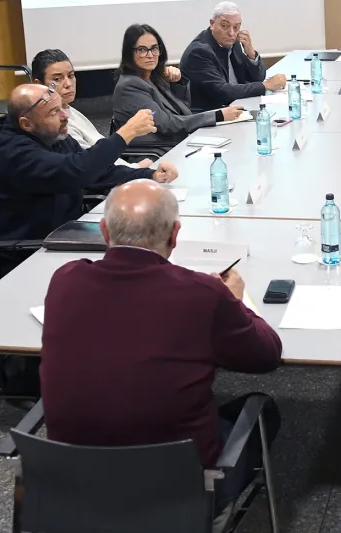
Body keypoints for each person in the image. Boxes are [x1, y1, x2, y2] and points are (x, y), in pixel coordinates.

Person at [40, 180, 282, 520]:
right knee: (263, 409)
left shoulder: (65, 279)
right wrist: (236, 302)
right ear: (175, 234)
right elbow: (267, 354)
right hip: (180, 490)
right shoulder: (203, 293)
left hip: (73, 484)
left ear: (104, 231)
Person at [0, 84, 178, 242]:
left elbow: (98, 173)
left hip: (65, 231)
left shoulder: (52, 135)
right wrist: (127, 133)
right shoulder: (14, 154)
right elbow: (76, 170)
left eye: (62, 108)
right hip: (28, 250)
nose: (65, 116)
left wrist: (149, 175)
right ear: (26, 124)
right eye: (54, 112)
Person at [113, 24, 244, 151]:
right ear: (129, 53)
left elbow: (183, 111)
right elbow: (167, 124)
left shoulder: (153, 77)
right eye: (142, 50)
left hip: (175, 142)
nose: (150, 55)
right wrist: (218, 115)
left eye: (154, 48)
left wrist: (177, 83)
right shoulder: (130, 86)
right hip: (155, 152)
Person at [31, 49, 152, 168]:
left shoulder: (67, 108)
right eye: (57, 79)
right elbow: (89, 164)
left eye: (71, 76)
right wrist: (135, 168)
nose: (68, 84)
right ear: (39, 84)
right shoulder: (55, 125)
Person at [180, 1, 287, 113]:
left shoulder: (233, 42)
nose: (231, 33)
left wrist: (251, 54)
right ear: (212, 23)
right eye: (224, 26)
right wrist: (265, 86)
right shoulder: (199, 52)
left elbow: (256, 78)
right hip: (210, 114)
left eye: (236, 27)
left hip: (236, 105)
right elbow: (222, 92)